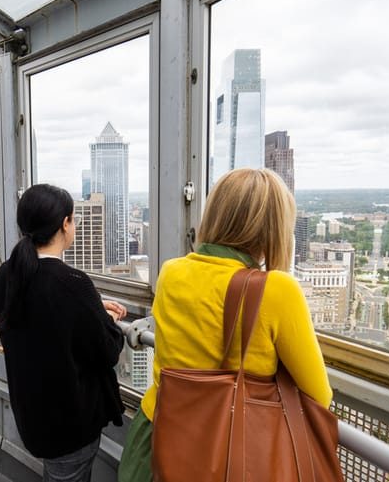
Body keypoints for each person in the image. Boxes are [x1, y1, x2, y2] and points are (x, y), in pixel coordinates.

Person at [118, 168, 332, 482]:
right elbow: (320, 396)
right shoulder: (277, 290)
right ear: (274, 230)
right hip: (233, 453)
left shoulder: (171, 272)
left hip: (159, 439)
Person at [0, 183, 127, 482]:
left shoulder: (7, 274)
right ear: (65, 224)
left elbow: (42, 318)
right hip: (69, 423)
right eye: (74, 219)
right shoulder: (73, 283)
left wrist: (91, 308)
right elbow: (107, 351)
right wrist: (105, 318)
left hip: (32, 413)